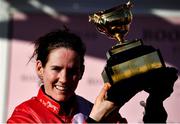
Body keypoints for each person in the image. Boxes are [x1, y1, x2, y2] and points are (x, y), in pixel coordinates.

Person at [7, 28, 178, 123]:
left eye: (73, 71)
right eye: (56, 69)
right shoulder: (25, 116)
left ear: (81, 71)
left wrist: (155, 106)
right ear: (40, 68)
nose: (65, 79)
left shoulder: (92, 109)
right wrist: (95, 120)